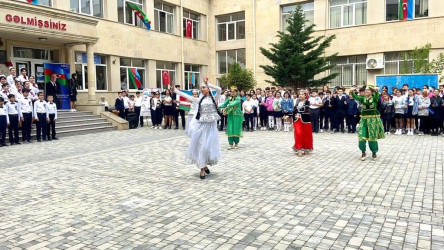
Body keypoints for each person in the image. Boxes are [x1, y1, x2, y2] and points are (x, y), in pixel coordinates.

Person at [186, 78, 221, 180]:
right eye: (201, 88)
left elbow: (219, 89)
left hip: (211, 127)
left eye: (203, 87)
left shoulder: (214, 97)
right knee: (202, 146)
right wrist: (175, 90)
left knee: (207, 147)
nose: (202, 89)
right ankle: (202, 168)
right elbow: (188, 96)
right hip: (201, 126)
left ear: (208, 88)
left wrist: (209, 84)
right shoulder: (199, 100)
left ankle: (204, 164)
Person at [350, 86, 385, 161]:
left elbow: (377, 94)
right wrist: (352, 91)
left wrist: (376, 90)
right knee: (361, 136)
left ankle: (374, 152)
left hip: (373, 120)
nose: (366, 91)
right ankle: (363, 152)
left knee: (372, 136)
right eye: (365, 90)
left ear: (371, 92)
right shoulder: (362, 98)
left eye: (368, 90)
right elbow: (355, 97)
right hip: (364, 119)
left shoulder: (374, 98)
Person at [292, 93, 313, 157]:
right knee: (298, 134)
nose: (300, 95)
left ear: (305, 96)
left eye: (302, 94)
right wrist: (289, 115)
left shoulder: (308, 102)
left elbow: (306, 110)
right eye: (299, 94)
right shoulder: (297, 102)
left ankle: (306, 148)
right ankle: (299, 149)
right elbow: (294, 111)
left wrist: (299, 114)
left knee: (306, 135)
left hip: (306, 121)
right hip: (297, 121)